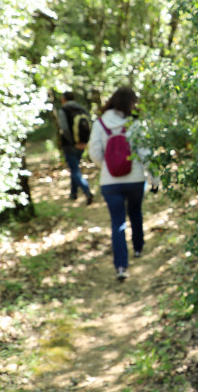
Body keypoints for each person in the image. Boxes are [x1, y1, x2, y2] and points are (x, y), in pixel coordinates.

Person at [87, 87, 148, 281]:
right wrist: (155, 179)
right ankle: (138, 248)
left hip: (110, 182)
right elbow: (146, 153)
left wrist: (108, 166)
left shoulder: (101, 123)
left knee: (117, 222)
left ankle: (121, 266)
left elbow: (94, 153)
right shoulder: (136, 123)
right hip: (136, 178)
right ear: (131, 103)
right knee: (136, 212)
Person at [57, 91, 94, 205]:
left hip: (70, 145)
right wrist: (85, 141)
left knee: (74, 170)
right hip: (82, 144)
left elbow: (65, 128)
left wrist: (73, 142)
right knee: (75, 168)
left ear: (64, 99)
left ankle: (87, 191)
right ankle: (73, 193)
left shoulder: (63, 111)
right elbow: (90, 124)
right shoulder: (81, 109)